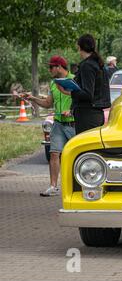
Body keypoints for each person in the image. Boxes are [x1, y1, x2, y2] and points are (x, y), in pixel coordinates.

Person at [22, 56, 76, 197]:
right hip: (58, 124)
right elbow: (47, 103)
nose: (49, 70)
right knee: (54, 154)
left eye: (51, 67)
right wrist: (33, 99)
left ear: (59, 67)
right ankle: (53, 186)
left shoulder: (74, 79)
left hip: (73, 124)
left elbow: (82, 100)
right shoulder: (53, 84)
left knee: (76, 156)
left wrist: (71, 111)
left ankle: (78, 186)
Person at [57, 34, 111, 134]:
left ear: (79, 47)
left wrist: (68, 91)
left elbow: (87, 94)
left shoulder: (87, 65)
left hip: (87, 116)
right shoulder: (98, 64)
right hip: (96, 115)